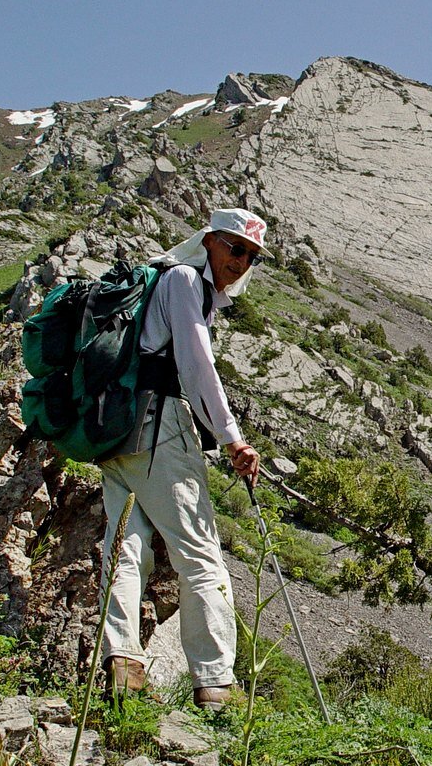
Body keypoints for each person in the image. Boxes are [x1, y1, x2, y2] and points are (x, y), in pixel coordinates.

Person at [98, 208, 269, 710]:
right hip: (159, 425)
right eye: (234, 248)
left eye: (251, 256)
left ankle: (121, 664)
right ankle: (216, 683)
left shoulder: (170, 280)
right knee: (200, 552)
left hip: (118, 426)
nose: (241, 263)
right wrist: (233, 438)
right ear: (210, 241)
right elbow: (196, 364)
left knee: (126, 546)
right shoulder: (183, 280)